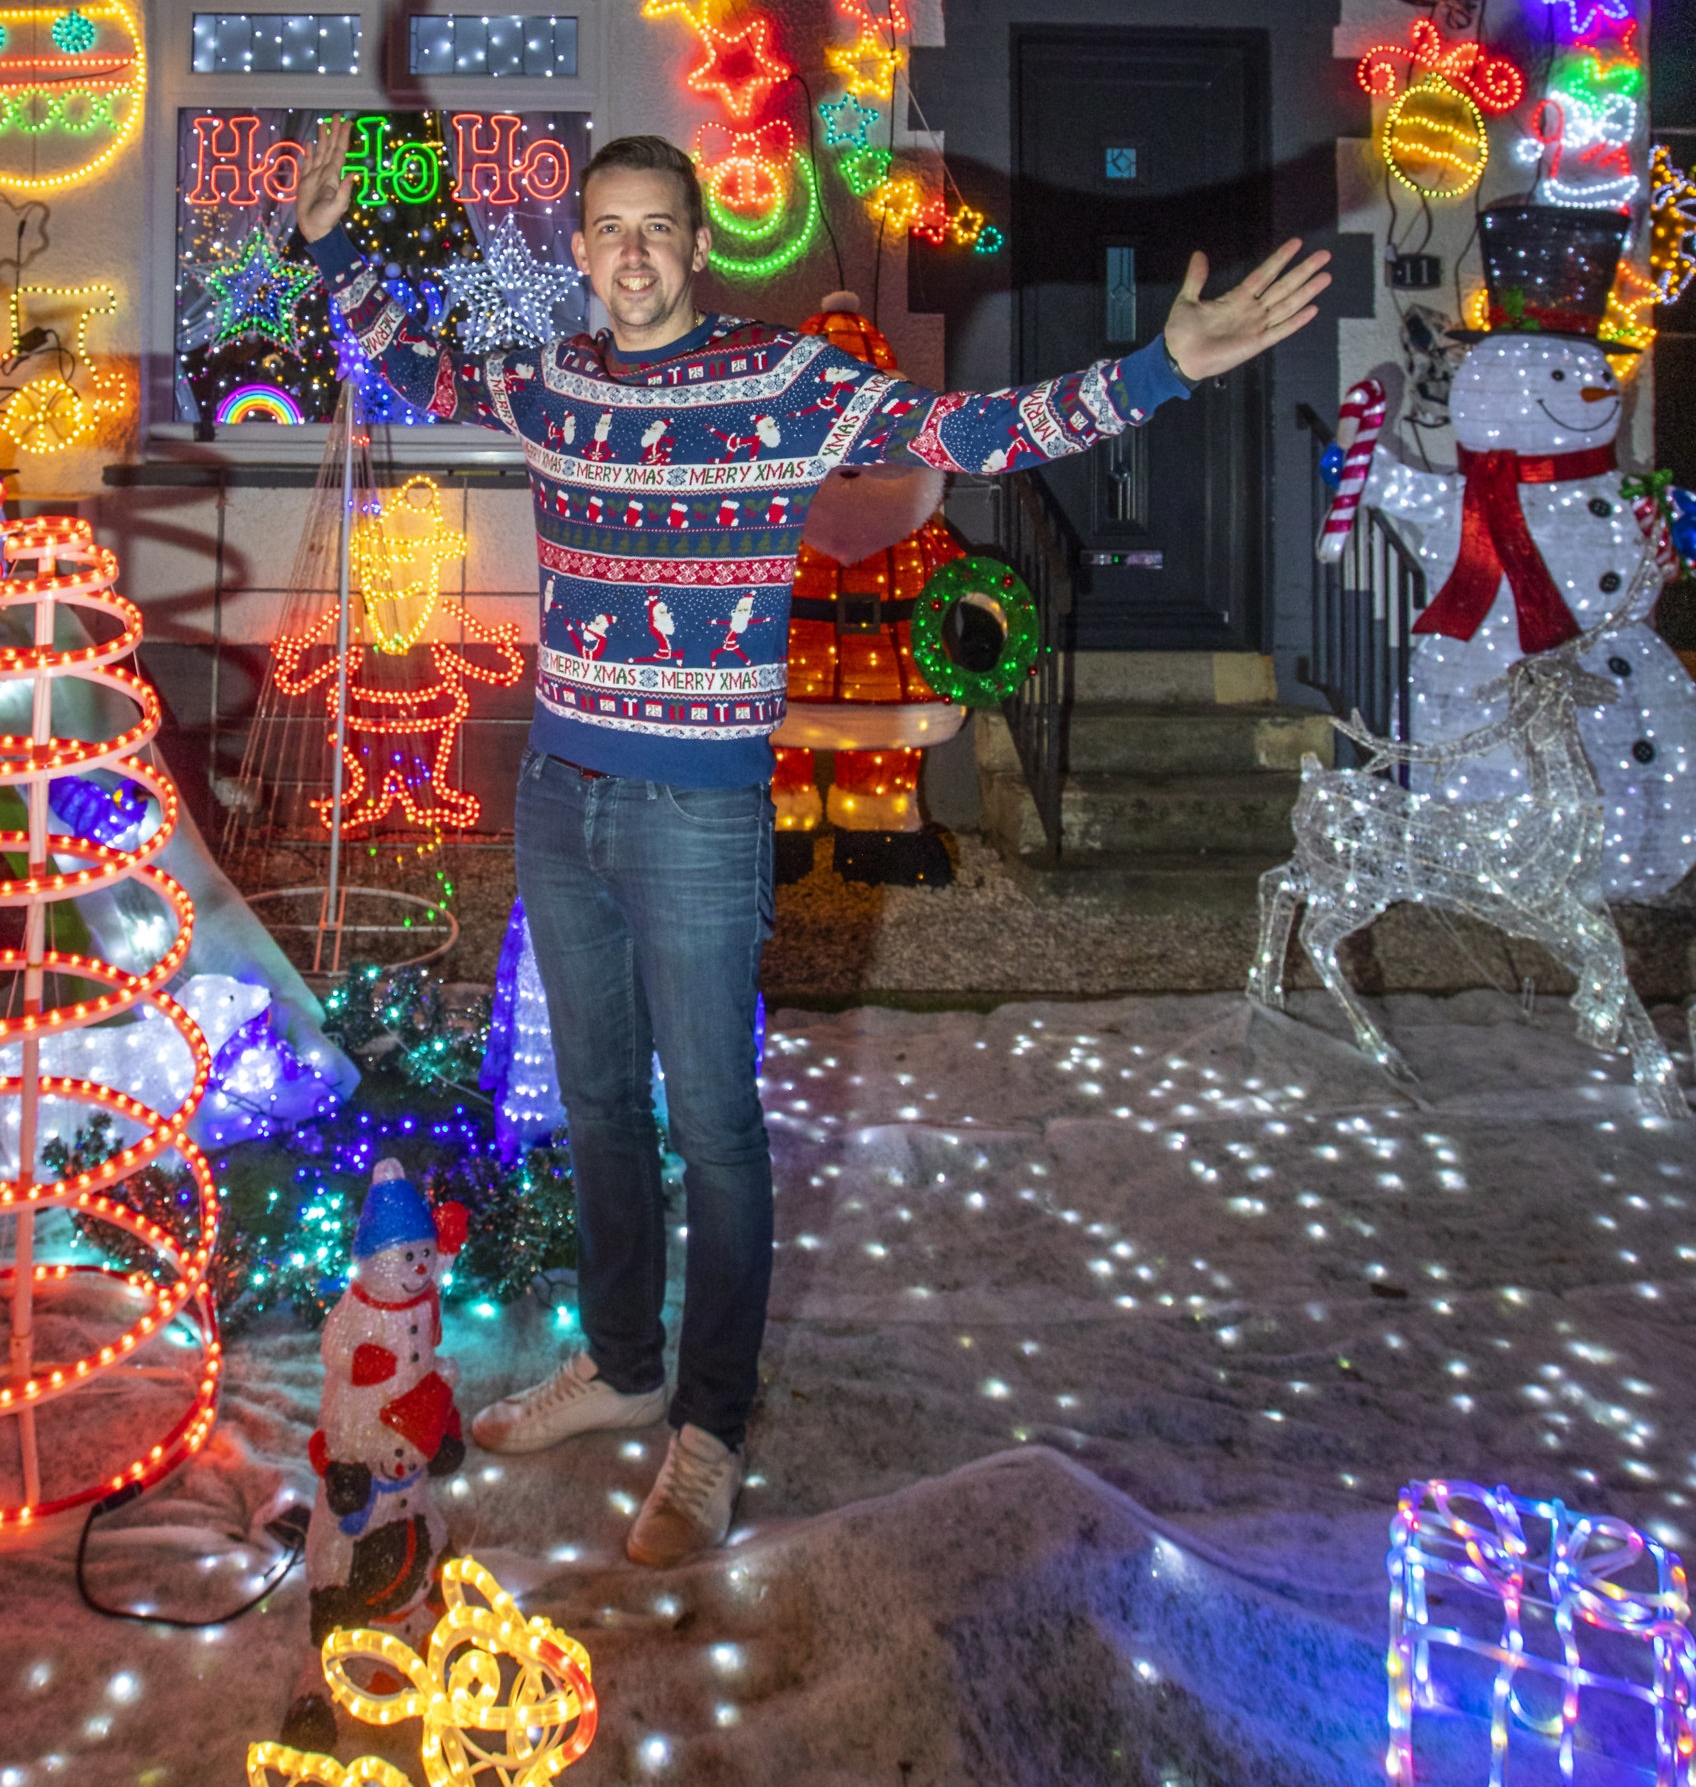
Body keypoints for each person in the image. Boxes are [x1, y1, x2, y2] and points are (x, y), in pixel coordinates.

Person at [294, 120, 1328, 1566]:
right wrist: (338, 250)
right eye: (610, 229)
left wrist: (1166, 368)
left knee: (714, 1124)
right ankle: (623, 1363)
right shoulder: (551, 382)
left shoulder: (777, 382)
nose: (635, 252)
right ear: (580, 250)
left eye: (661, 226)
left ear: (699, 248)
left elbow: (971, 430)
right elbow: (409, 368)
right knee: (595, 1100)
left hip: (701, 809)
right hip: (563, 792)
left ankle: (707, 1425)